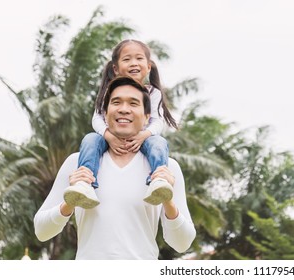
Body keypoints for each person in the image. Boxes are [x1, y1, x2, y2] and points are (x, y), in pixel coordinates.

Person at [34, 76, 196, 259]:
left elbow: (182, 243)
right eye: (116, 102)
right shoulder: (77, 163)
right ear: (104, 114)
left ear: (146, 117)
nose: (124, 109)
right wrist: (70, 202)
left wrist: (168, 200)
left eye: (133, 103)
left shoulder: (167, 167)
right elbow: (41, 231)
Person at [64, 39, 177, 209]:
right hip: (110, 137)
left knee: (158, 143)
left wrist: (143, 135)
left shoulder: (153, 93)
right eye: (127, 59)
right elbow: (97, 119)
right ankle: (84, 182)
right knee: (90, 140)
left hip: (143, 139)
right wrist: (108, 136)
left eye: (139, 58)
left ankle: (159, 180)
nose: (133, 63)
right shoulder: (108, 91)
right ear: (115, 69)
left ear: (148, 66)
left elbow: (157, 121)